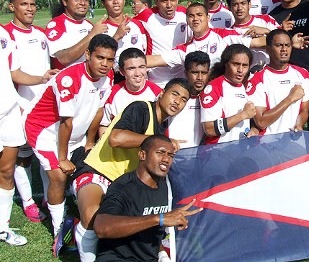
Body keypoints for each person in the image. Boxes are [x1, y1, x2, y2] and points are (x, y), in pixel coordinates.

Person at [73, 78, 191, 261]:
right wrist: (157, 140)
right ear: (161, 94)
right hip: (98, 172)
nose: (178, 101)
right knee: (92, 218)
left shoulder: (162, 127)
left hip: (124, 184)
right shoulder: (141, 109)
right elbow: (116, 138)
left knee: (139, 222)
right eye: (174, 94)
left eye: (184, 99)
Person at [23, 34, 116, 253]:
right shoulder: (69, 79)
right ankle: (59, 231)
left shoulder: (109, 76)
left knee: (84, 168)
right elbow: (66, 122)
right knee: (59, 176)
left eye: (110, 59)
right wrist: (62, 158)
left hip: (74, 132)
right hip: (45, 130)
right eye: (100, 57)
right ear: (87, 55)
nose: (105, 64)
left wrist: (90, 141)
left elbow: (99, 110)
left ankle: (73, 210)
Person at [93, 134, 203, 261]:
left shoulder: (165, 186)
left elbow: (149, 234)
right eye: (160, 153)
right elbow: (102, 228)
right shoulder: (124, 187)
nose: (166, 159)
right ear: (142, 155)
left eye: (170, 155)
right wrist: (160, 218)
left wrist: (163, 256)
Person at [0, 26, 57, 246]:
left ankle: (3, 229)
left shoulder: (4, 35)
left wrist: (42, 79)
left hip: (9, 111)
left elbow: (14, 72)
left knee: (6, 170)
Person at [4, 0, 51, 223]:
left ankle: (43, 197)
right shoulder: (7, 35)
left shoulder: (41, 34)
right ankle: (28, 201)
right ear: (12, 6)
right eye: (24, 4)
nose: (30, 8)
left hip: (43, 106)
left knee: (45, 153)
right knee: (24, 157)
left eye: (32, 4)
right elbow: (13, 75)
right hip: (21, 105)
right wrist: (40, 79)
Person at [145, 2, 260, 73]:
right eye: (191, 16)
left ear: (208, 17)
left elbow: (259, 42)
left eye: (199, 15)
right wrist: (129, 63)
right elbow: (156, 60)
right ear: (187, 20)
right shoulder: (184, 49)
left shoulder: (224, 35)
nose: (195, 19)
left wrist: (270, 32)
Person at [247, 29, 309, 135]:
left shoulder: (302, 74)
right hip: (267, 145)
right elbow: (261, 122)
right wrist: (290, 98)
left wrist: (299, 123)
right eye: (279, 45)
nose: (284, 49)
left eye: (287, 45)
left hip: (296, 143)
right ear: (268, 49)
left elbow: (304, 110)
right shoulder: (257, 79)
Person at [133, 0, 189, 87]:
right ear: (156, 1)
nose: (169, 5)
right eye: (164, 1)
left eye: (172, 0)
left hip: (181, 80)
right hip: (157, 81)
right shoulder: (147, 16)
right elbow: (124, 24)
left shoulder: (184, 13)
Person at [200, 44, 258, 144]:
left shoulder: (246, 86)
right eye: (236, 64)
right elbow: (209, 129)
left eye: (245, 65)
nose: (240, 70)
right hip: (218, 152)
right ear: (226, 64)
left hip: (241, 151)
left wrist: (254, 129)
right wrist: (242, 115)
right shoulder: (213, 87)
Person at [45, 0, 108, 69]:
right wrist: (92, 35)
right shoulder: (56, 25)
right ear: (64, 1)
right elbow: (63, 58)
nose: (82, 3)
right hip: (67, 80)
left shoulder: (89, 25)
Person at [100, 48, 162, 135]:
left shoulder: (157, 93)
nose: (137, 73)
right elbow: (104, 126)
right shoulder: (112, 93)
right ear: (122, 71)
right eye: (131, 68)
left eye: (141, 67)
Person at [100, 0, 147, 78]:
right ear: (103, 3)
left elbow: (147, 49)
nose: (115, 2)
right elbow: (101, 56)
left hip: (140, 76)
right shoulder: (101, 28)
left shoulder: (137, 24)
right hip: (116, 76)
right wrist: (116, 37)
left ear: (124, 0)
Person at [228, 0, 280, 68]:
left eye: (243, 3)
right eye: (235, 4)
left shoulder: (266, 20)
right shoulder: (230, 33)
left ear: (249, 5)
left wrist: (266, 31)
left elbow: (283, 42)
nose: (239, 8)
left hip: (271, 73)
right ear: (229, 8)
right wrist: (266, 40)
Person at [167, 51, 210, 148]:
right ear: (185, 73)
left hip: (198, 158)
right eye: (195, 72)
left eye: (203, 73)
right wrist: (165, 141)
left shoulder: (211, 98)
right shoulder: (171, 97)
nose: (199, 77)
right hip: (171, 156)